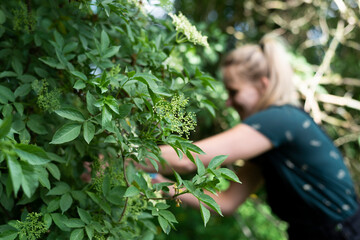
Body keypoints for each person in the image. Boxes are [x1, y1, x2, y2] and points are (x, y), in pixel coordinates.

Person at [139, 34, 360, 240]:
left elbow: (186, 159)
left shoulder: (279, 120)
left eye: (233, 91)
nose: (228, 102)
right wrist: (151, 181)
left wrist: (125, 157)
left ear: (263, 85)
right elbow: (225, 202)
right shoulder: (272, 143)